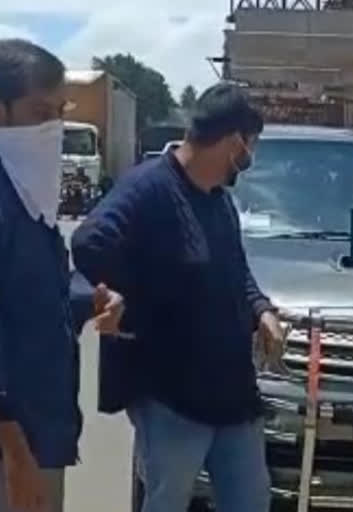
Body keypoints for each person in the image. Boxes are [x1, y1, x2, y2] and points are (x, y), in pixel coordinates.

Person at [71, 83, 284, 512]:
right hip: (170, 395)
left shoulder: (219, 202)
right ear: (233, 141)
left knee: (250, 499)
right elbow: (90, 242)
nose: (250, 156)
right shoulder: (148, 190)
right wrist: (128, 306)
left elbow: (235, 270)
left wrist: (261, 311)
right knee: (168, 500)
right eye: (251, 144)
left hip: (231, 392)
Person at [0, 39, 124, 512]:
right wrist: (15, 453)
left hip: (43, 422)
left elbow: (46, 292)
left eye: (59, 110)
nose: (54, 126)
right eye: (40, 111)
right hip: (10, 438)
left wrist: (95, 297)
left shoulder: (25, 192)